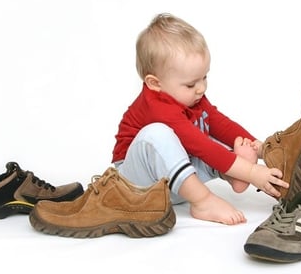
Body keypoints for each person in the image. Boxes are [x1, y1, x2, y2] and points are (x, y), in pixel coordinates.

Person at [111, 13, 288, 225]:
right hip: (137, 186)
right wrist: (251, 171)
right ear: (155, 83)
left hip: (176, 183)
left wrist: (261, 148)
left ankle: (232, 175)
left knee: (205, 139)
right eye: (191, 84)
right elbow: (202, 146)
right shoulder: (157, 107)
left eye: (204, 77)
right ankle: (203, 201)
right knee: (159, 134)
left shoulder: (191, 97)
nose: (202, 88)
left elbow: (217, 122)